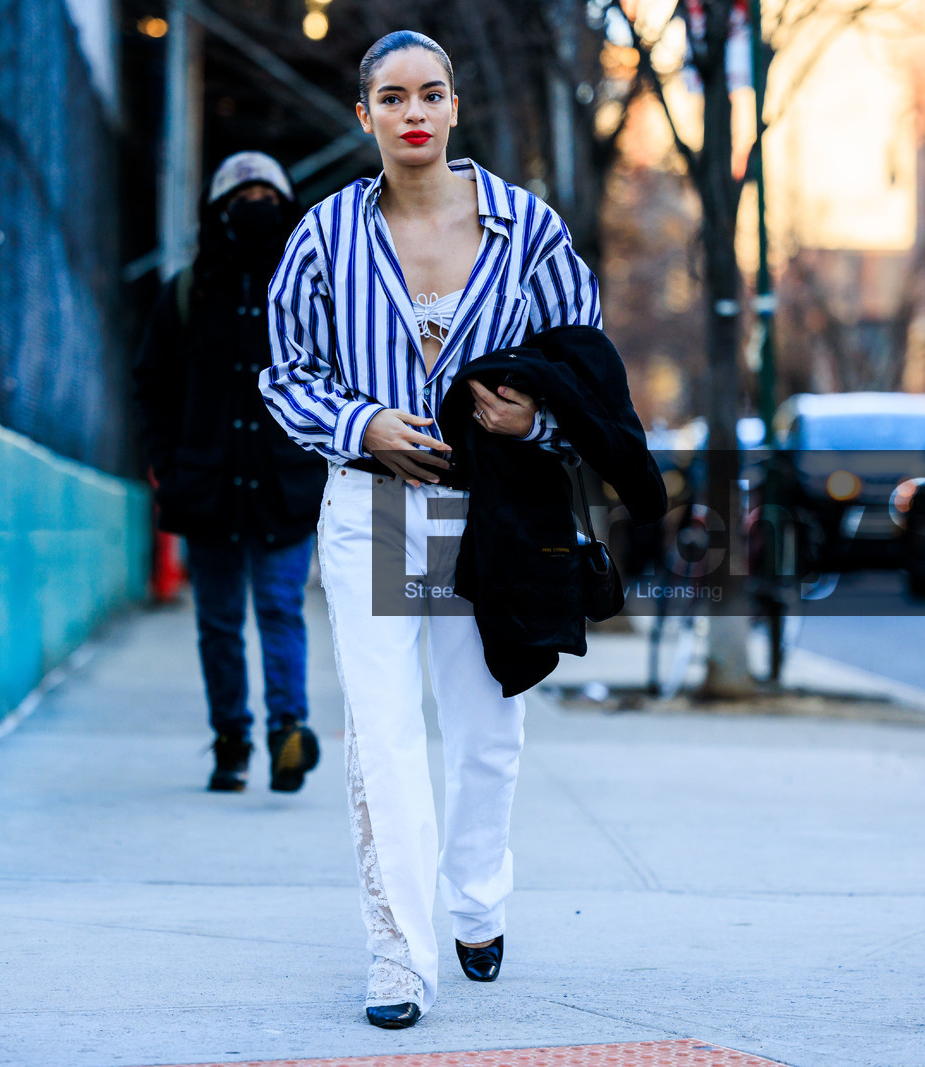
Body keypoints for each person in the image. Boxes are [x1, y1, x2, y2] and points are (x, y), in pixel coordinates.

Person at [260, 30, 604, 1029]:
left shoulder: (527, 229)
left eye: (432, 94)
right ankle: (399, 953)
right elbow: (284, 372)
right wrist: (361, 422)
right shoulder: (324, 236)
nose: (414, 112)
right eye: (392, 97)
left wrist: (532, 421)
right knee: (385, 736)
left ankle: (477, 901)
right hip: (369, 508)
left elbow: (584, 362)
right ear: (363, 114)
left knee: (488, 727)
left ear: (454, 106)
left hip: (488, 512)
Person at [136, 152, 328, 794]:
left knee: (279, 609)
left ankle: (287, 734)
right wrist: (168, 465)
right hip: (207, 489)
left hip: (285, 488)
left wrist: (319, 461)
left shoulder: (310, 296)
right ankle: (231, 742)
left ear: (287, 210)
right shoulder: (186, 294)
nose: (255, 210)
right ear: (217, 212)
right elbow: (152, 384)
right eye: (242, 200)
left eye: (268, 200)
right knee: (218, 622)